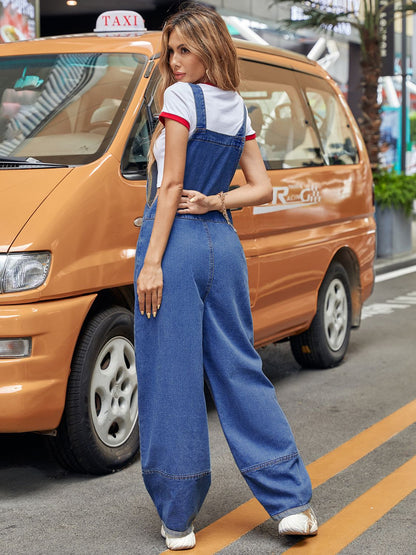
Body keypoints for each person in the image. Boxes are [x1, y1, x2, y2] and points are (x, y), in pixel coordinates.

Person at [134, 4, 318, 550]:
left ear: (211, 48)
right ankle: (290, 503)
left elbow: (169, 189)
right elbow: (260, 187)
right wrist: (216, 200)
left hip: (175, 248)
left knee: (172, 377)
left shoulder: (176, 100)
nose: (175, 61)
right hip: (223, 243)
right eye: (170, 51)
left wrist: (150, 261)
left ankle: (178, 515)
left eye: (185, 49)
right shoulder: (238, 107)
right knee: (241, 369)